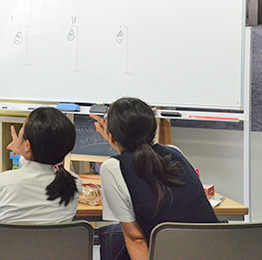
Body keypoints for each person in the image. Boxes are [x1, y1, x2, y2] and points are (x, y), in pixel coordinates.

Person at [91, 97, 219, 260]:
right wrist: (112, 136)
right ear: (153, 130)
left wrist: (113, 138)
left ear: (112, 137)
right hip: (215, 250)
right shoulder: (174, 151)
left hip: (167, 252)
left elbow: (136, 239)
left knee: (114, 236)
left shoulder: (113, 167)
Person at [0, 107, 82, 224]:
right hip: (53, 242)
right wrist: (23, 151)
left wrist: (23, 152)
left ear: (28, 145)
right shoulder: (74, 183)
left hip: (8, 242)